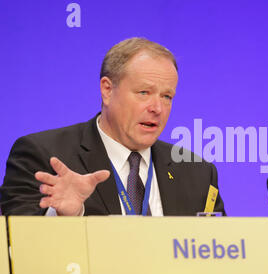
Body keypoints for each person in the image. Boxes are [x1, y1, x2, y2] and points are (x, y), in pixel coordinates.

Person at [0, 37, 225, 216]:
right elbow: (17, 248)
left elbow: (221, 255)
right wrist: (63, 216)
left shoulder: (197, 173)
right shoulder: (44, 155)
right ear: (107, 90)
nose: (157, 107)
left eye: (167, 96)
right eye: (144, 92)